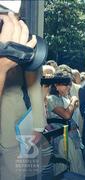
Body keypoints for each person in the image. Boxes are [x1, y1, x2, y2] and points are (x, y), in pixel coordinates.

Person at [0, 10, 46, 180]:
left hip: (11, 126)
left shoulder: (23, 45)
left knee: (13, 174)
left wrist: (38, 127)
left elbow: (34, 88)